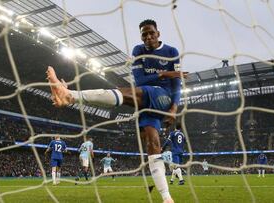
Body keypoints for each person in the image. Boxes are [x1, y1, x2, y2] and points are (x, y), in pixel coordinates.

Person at [46, 19, 187, 203]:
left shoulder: (171, 52)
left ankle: (70, 95)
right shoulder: (138, 51)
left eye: (151, 32)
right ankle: (167, 198)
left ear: (158, 33)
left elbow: (176, 85)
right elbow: (141, 81)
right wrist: (163, 74)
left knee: (125, 92)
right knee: (152, 143)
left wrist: (174, 108)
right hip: (145, 99)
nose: (148, 36)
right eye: (144, 34)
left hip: (164, 97)